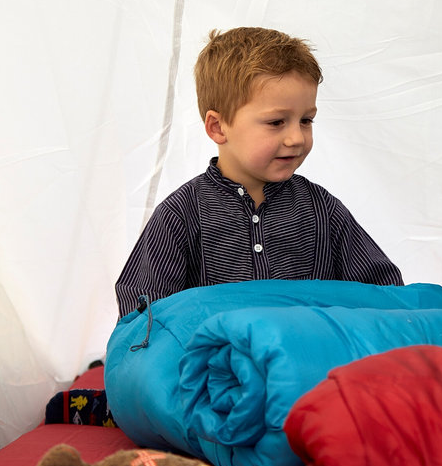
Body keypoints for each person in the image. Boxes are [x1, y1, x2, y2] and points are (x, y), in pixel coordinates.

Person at [115, 27, 402, 317]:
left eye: (306, 120)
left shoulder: (322, 209)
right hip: (216, 349)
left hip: (307, 347)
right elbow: (144, 316)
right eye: (277, 122)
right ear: (218, 127)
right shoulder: (181, 214)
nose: (297, 138)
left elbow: (385, 294)